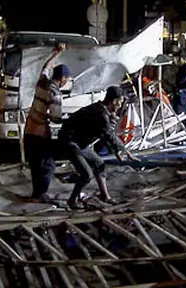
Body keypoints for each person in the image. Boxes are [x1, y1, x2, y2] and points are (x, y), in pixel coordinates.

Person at [58, 86, 130, 209]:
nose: (120, 105)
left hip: (80, 142)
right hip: (70, 142)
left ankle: (104, 195)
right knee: (87, 175)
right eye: (120, 101)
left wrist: (117, 151)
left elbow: (104, 135)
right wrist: (122, 149)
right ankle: (72, 200)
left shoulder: (101, 109)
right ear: (114, 102)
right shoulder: (101, 114)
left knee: (99, 162)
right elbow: (109, 134)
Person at [24, 45, 67, 202]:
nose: (66, 82)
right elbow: (56, 117)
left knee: (35, 165)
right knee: (47, 165)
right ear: (63, 78)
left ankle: (36, 194)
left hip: (28, 131)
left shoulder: (41, 83)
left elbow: (45, 67)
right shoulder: (55, 93)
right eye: (66, 79)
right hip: (40, 134)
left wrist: (57, 53)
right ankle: (41, 195)